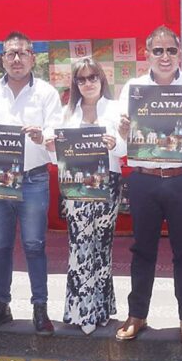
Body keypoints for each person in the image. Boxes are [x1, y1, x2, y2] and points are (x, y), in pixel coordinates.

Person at [115, 25, 182, 347]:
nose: (165, 56)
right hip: (143, 178)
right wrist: (123, 131)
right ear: (147, 54)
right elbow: (119, 142)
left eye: (171, 50)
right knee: (142, 250)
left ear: (180, 53)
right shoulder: (133, 88)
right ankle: (137, 315)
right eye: (158, 50)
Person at [0, 31, 62, 335]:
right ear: (2, 59)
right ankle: (0, 305)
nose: (17, 59)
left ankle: (40, 308)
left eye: (22, 53)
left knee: (34, 245)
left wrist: (42, 136)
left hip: (33, 178)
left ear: (33, 57)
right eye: (10, 54)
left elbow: (56, 135)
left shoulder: (47, 93)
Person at [46, 58, 124, 335]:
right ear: (75, 84)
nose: (88, 83)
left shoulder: (116, 109)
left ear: (102, 79)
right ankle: (80, 310)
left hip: (108, 182)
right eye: (82, 79)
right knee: (80, 245)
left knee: (101, 246)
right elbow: (54, 156)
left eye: (93, 77)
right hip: (76, 185)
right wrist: (50, 145)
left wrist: (116, 144)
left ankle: (100, 309)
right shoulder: (66, 113)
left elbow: (126, 148)